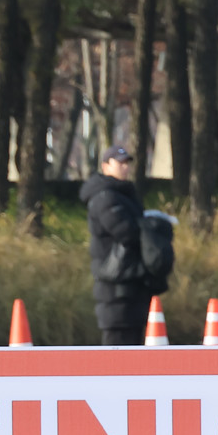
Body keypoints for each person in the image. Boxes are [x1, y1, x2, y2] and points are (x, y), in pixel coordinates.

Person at [81, 145, 150, 345]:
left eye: (127, 163)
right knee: (117, 354)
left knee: (133, 352)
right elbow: (126, 232)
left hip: (129, 284)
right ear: (105, 166)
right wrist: (149, 228)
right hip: (114, 286)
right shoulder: (105, 197)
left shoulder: (124, 195)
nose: (125, 167)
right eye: (119, 163)